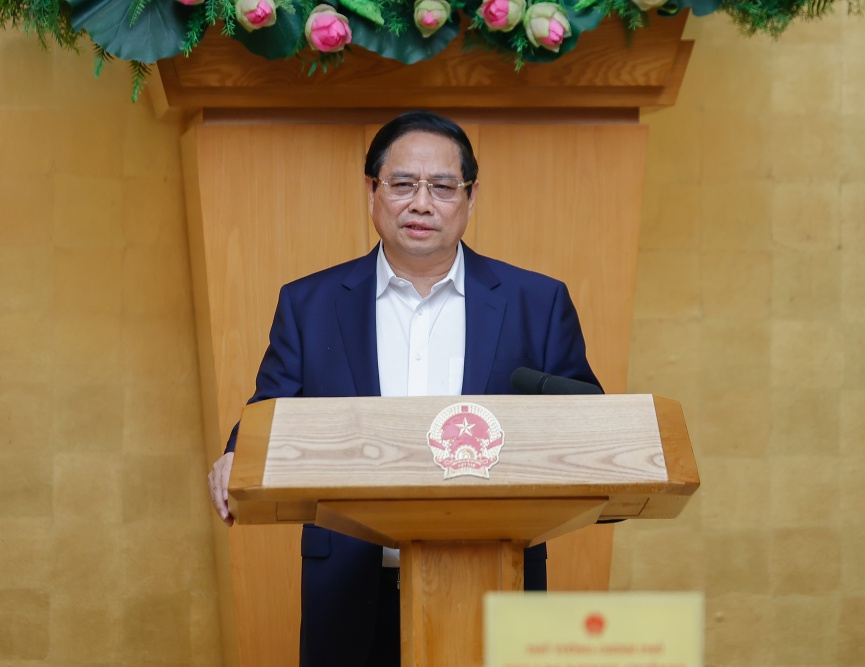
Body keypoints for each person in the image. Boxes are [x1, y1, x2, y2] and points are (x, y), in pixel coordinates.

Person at [207, 110, 600, 667]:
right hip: (348, 588)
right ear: (373, 191)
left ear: (470, 196)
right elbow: (271, 413)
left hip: (494, 580)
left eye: (442, 187)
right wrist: (235, 456)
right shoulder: (310, 304)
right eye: (401, 184)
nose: (421, 204)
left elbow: (586, 423)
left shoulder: (537, 302)